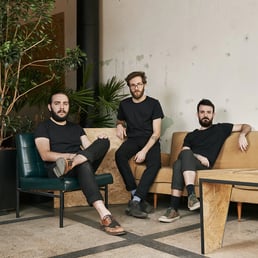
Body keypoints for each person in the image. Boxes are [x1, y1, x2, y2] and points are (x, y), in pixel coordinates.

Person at [34, 92, 126, 236]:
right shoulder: (43, 127)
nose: (62, 107)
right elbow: (45, 154)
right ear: (50, 107)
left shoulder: (76, 128)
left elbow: (89, 150)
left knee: (103, 142)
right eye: (57, 103)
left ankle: (74, 163)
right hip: (57, 169)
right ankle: (105, 215)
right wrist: (71, 156)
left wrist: (97, 143)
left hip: (76, 164)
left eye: (65, 104)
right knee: (84, 164)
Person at [159, 98, 251, 223]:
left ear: (213, 114)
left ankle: (175, 207)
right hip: (192, 162)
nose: (205, 115)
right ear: (197, 115)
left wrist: (242, 135)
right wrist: (198, 156)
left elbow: (246, 126)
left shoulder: (221, 128)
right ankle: (190, 198)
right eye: (202, 112)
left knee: (179, 163)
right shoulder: (191, 135)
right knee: (179, 162)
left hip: (205, 167)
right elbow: (183, 152)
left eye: (208, 112)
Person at [115, 71, 164, 219]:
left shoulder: (154, 104)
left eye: (139, 84)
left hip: (150, 140)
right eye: (133, 85)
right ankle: (136, 196)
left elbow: (156, 133)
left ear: (144, 85)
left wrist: (144, 151)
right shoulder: (124, 104)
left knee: (155, 164)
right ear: (129, 87)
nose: (136, 88)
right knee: (119, 155)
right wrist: (119, 125)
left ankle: (135, 202)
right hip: (133, 140)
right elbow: (120, 120)